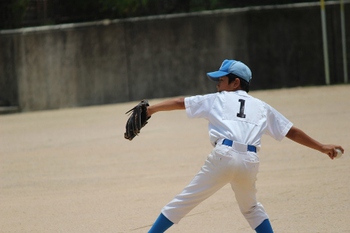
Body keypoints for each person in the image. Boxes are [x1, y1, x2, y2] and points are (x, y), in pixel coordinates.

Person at [145, 59, 344, 233]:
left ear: (235, 82)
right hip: (250, 161)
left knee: (183, 202)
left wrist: (151, 110)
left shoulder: (218, 99)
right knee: (251, 209)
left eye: (221, 80)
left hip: (223, 156)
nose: (218, 85)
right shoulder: (261, 106)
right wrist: (321, 147)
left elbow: (181, 102)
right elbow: (291, 131)